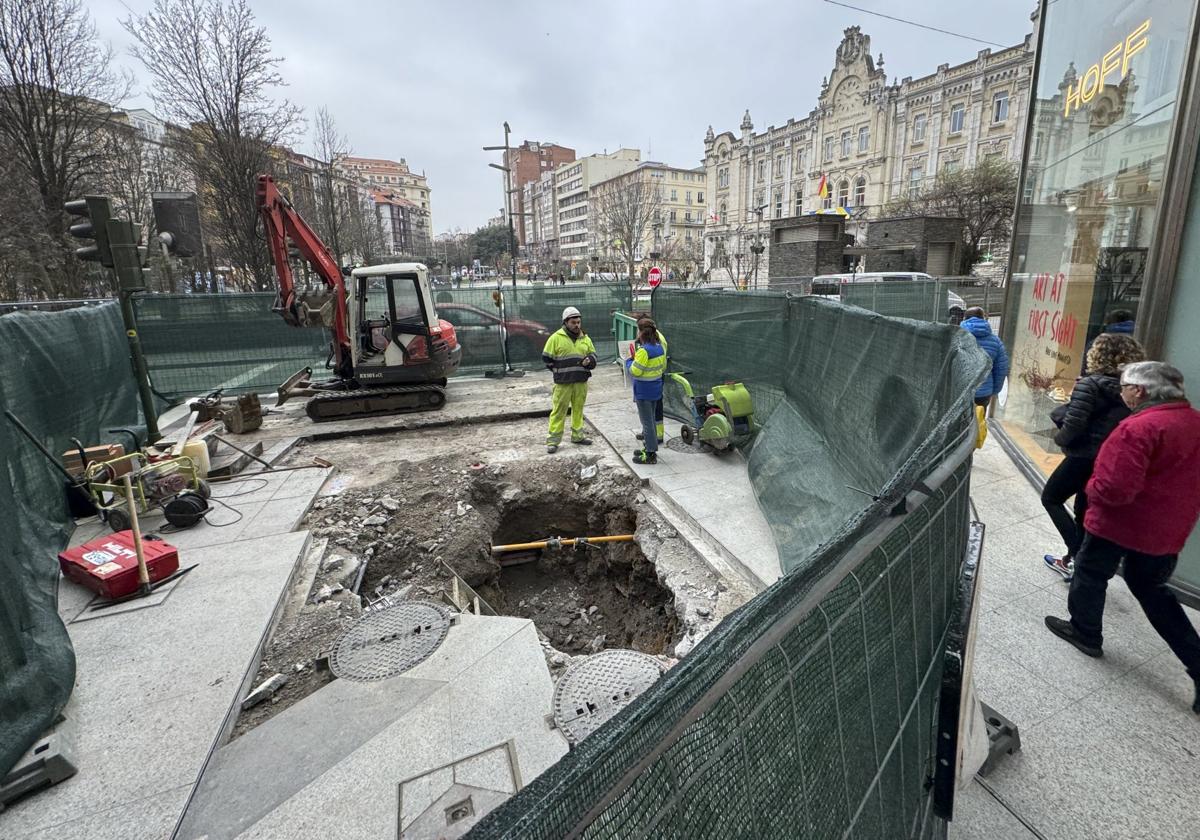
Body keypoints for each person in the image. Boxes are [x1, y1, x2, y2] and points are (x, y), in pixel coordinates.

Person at [1044, 362, 1200, 714]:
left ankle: (1085, 632)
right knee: (1152, 590)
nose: (1122, 393)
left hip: (1120, 522)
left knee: (1090, 571)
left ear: (1140, 391)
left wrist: (1092, 488)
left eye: (1125, 387)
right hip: (1167, 526)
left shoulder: (1138, 428)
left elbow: (1114, 488)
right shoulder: (1194, 422)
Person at [1042, 334, 1145, 581]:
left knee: (1051, 498)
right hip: (1110, 458)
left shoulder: (1090, 384)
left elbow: (1073, 425)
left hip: (1083, 455)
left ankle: (1078, 557)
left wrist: (1059, 440)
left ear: (1097, 355)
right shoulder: (1132, 389)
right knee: (1084, 509)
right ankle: (1074, 560)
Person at [541, 306, 597, 453]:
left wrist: (589, 360)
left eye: (578, 322)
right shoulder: (555, 338)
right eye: (573, 322)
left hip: (580, 381)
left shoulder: (585, 338)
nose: (577, 325)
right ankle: (553, 441)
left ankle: (578, 436)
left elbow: (594, 356)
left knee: (578, 409)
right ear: (565, 322)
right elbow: (546, 358)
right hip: (563, 383)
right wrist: (558, 371)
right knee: (559, 411)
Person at [626, 319, 667, 464]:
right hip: (656, 390)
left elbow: (635, 371)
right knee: (652, 421)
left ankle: (650, 454)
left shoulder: (644, 351)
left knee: (647, 423)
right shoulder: (660, 348)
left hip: (644, 392)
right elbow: (662, 369)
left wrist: (629, 361)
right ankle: (649, 447)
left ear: (642, 333)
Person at [960, 306, 1009, 408]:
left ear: (964, 319)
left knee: (960, 422)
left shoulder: (957, 338)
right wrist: (994, 389)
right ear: (983, 319)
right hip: (984, 393)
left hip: (959, 391)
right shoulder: (996, 341)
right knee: (979, 421)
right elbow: (1001, 369)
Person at [631, 313, 668, 444]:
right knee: (650, 416)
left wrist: (632, 361)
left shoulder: (649, 347)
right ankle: (651, 435)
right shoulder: (657, 342)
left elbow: (636, 371)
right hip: (655, 380)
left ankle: (654, 440)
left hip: (647, 385)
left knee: (650, 416)